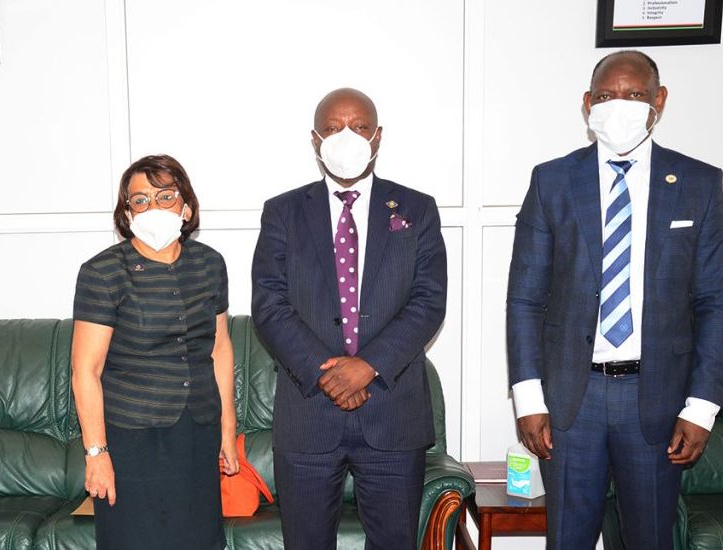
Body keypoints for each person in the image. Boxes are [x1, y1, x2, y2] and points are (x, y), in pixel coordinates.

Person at [507, 50, 723, 549]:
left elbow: (717, 303)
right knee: (567, 539)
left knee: (650, 538)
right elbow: (525, 297)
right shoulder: (553, 181)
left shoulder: (699, 184)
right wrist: (528, 398)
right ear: (588, 103)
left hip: (657, 397)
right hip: (572, 399)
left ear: (659, 101)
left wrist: (701, 408)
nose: (621, 105)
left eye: (635, 95)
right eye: (608, 96)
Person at [251, 88, 447, 549]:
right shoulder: (282, 212)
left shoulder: (416, 209)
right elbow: (270, 303)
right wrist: (329, 372)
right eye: (334, 128)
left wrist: (367, 366)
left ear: (377, 136)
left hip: (393, 412)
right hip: (308, 415)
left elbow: (428, 300)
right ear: (315, 139)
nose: (347, 137)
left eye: (358, 127)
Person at [72, 154, 240, 550]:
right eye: (140, 199)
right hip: (132, 437)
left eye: (165, 196)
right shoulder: (103, 272)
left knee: (199, 540)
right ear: (127, 212)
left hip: (198, 430)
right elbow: (85, 371)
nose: (153, 206)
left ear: (186, 205)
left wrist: (227, 429)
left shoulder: (209, 263)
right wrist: (96, 453)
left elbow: (220, 347)